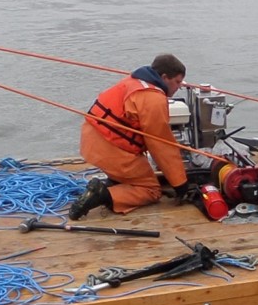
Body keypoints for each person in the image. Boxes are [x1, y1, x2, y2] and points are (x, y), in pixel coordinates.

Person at [69, 53, 192, 219]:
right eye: (177, 82)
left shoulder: (133, 82)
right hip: (112, 148)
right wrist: (180, 183)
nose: (179, 86)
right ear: (164, 77)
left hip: (92, 139)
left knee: (139, 173)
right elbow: (161, 145)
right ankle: (104, 195)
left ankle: (117, 182)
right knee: (152, 190)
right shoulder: (153, 99)